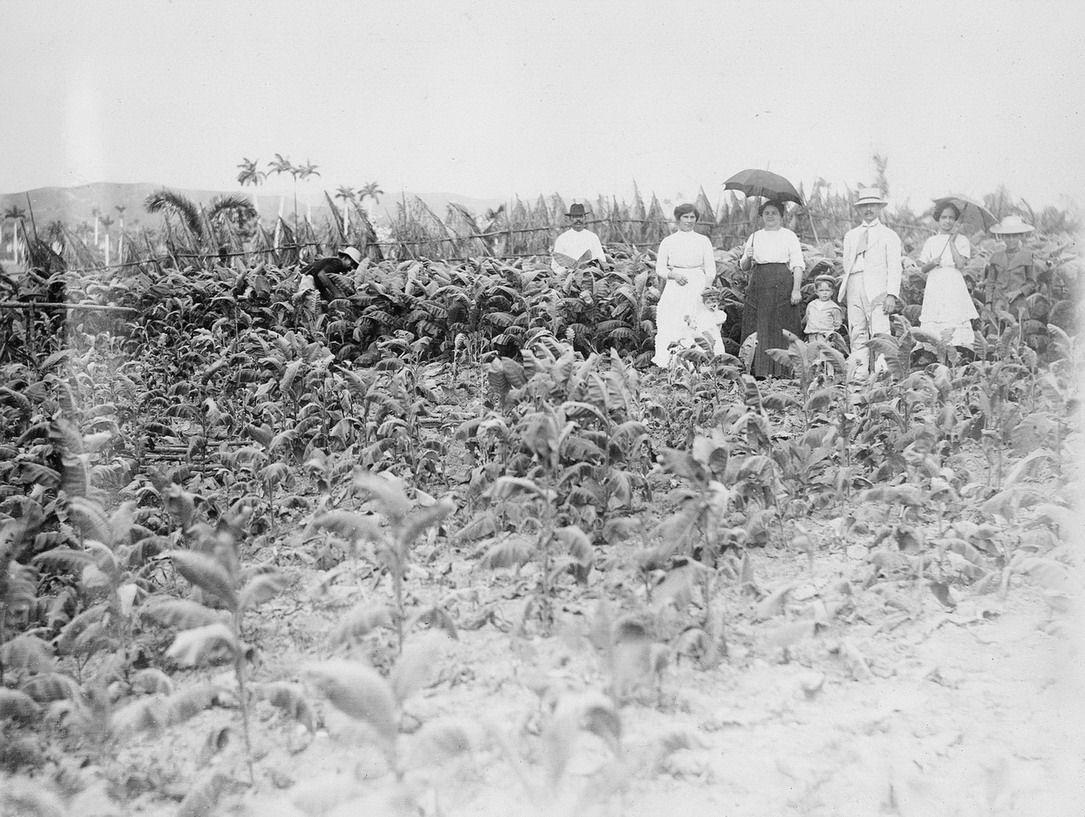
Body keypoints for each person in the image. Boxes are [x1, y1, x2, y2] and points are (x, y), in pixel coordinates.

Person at [838, 188, 902, 381]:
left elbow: (895, 267)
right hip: (855, 283)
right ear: (859, 209)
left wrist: (891, 294)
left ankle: (882, 372)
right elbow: (847, 263)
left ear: (879, 208)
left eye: (872, 205)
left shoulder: (888, 235)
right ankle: (859, 372)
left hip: (877, 287)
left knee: (880, 329)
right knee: (857, 328)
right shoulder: (851, 235)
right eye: (864, 206)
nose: (868, 209)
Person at [652, 203, 725, 367]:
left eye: (692, 217)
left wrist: (707, 286)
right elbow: (660, 268)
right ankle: (674, 362)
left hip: (698, 284)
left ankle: (703, 362)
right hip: (676, 285)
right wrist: (673, 275)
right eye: (686, 217)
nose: (689, 220)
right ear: (678, 219)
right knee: (675, 320)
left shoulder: (703, 240)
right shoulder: (669, 241)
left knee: (700, 320)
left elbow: (710, 268)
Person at [738, 199, 805, 377]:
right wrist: (748, 257)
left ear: (781, 216)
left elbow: (798, 264)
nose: (770, 216)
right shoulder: (755, 236)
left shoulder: (789, 236)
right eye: (766, 213)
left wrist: (796, 289)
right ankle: (759, 370)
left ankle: (784, 370)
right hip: (759, 281)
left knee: (782, 322)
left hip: (782, 281)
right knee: (759, 323)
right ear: (761, 216)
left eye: (774, 213)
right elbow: (744, 267)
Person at [917, 202, 978, 349]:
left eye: (951, 218)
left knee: (954, 315)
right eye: (944, 217)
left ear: (956, 220)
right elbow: (922, 269)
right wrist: (932, 263)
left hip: (953, 283)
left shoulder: (961, 240)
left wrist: (951, 241)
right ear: (938, 219)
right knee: (935, 317)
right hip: (935, 283)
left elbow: (960, 264)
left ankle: (956, 351)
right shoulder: (931, 241)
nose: (948, 221)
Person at [984, 215, 1037, 318]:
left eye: (1014, 236)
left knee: (1017, 327)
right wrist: (988, 303)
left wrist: (1018, 292)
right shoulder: (996, 257)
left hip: (1018, 305)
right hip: (998, 303)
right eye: (1008, 236)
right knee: (997, 327)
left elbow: (1032, 283)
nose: (1011, 240)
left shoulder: (1027, 257)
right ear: (1003, 237)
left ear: (1020, 236)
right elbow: (990, 283)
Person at [551, 203, 608, 273]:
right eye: (575, 217)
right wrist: (569, 273)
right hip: (569, 276)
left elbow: (601, 260)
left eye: (580, 216)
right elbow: (555, 265)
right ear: (570, 219)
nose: (578, 219)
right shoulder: (562, 239)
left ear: (585, 218)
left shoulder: (593, 237)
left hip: (590, 275)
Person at [804, 273, 844, 341]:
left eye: (827, 290)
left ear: (832, 292)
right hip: (812, 337)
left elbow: (837, 324)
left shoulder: (834, 308)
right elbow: (807, 318)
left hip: (827, 338)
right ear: (816, 292)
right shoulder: (811, 305)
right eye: (821, 290)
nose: (824, 293)